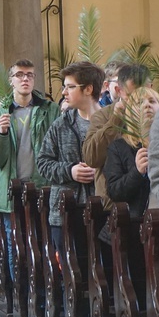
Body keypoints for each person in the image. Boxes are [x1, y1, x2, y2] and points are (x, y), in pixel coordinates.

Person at [0, 59, 60, 280]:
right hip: (11, 189)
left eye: (29, 74)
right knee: (14, 243)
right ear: (11, 80)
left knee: (42, 242)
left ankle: (44, 294)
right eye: (19, 75)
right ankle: (20, 294)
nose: (25, 79)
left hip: (42, 187)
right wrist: (2, 133)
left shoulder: (50, 110)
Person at [37, 61, 103, 251]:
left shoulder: (110, 124)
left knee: (103, 273)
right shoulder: (61, 124)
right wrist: (70, 170)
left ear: (88, 89)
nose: (64, 92)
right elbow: (42, 162)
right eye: (64, 86)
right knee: (70, 275)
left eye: (70, 87)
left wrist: (99, 168)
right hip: (65, 211)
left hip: (103, 209)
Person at [82, 63, 151, 212]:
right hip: (115, 207)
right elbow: (91, 158)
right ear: (119, 91)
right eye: (132, 95)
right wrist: (115, 121)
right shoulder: (103, 116)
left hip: (151, 204)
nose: (139, 101)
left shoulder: (155, 115)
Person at [106, 87, 159, 218]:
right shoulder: (118, 148)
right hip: (132, 226)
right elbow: (114, 192)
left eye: (152, 101)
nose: (147, 105)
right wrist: (137, 172)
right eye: (139, 102)